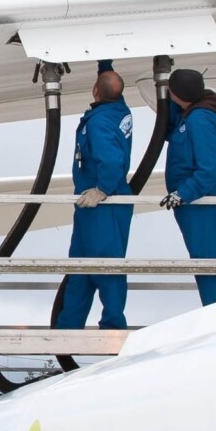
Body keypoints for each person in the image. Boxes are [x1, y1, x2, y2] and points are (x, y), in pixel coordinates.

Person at [53, 62, 135, 330]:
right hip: (90, 205)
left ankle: (113, 327)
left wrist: (102, 190)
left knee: (106, 266)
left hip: (104, 204)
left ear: (94, 90)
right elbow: (110, 85)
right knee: (80, 269)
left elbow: (110, 160)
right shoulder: (118, 109)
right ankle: (67, 329)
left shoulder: (99, 122)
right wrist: (104, 63)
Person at [162, 68, 216, 305]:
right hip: (195, 201)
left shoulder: (199, 120)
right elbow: (172, 128)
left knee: (209, 262)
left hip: (201, 201)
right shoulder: (191, 113)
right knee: (208, 260)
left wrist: (183, 194)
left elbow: (209, 167)